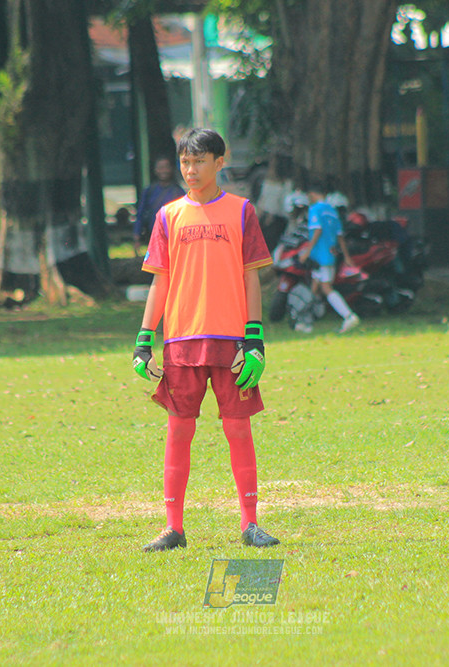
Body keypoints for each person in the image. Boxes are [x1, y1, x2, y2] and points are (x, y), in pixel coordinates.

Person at [133, 128, 280, 552]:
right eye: (184, 162)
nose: (190, 170)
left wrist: (255, 338)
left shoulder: (241, 211)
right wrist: (145, 339)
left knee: (239, 430)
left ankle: (250, 524)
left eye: (199, 161)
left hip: (232, 341)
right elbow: (159, 282)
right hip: (181, 341)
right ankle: (172, 528)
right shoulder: (168, 216)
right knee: (179, 432)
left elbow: (251, 275)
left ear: (220, 161)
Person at [296, 179, 360, 334]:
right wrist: (346, 256)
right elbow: (340, 236)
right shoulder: (332, 210)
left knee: (325, 287)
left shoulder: (315, 210)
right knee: (315, 288)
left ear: (312, 194)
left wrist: (307, 252)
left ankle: (349, 316)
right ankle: (306, 323)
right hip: (331, 254)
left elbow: (317, 230)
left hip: (320, 255)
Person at [133, 156, 185, 257]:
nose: (164, 170)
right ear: (155, 170)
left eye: (166, 167)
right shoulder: (149, 191)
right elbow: (141, 214)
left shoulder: (178, 191)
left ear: (171, 169)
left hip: (175, 238)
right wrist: (137, 236)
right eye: (160, 167)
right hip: (155, 238)